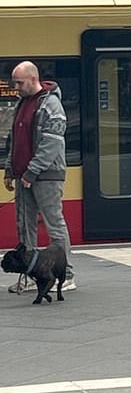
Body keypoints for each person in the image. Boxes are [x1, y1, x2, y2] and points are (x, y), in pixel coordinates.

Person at [3, 60, 76, 292]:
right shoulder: (22, 103)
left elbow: (52, 142)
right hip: (23, 175)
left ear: (33, 79)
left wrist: (32, 170)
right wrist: (10, 169)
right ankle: (32, 275)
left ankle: (67, 274)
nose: (16, 86)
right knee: (25, 225)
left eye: (19, 82)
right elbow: (15, 141)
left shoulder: (51, 104)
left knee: (54, 223)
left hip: (46, 175)